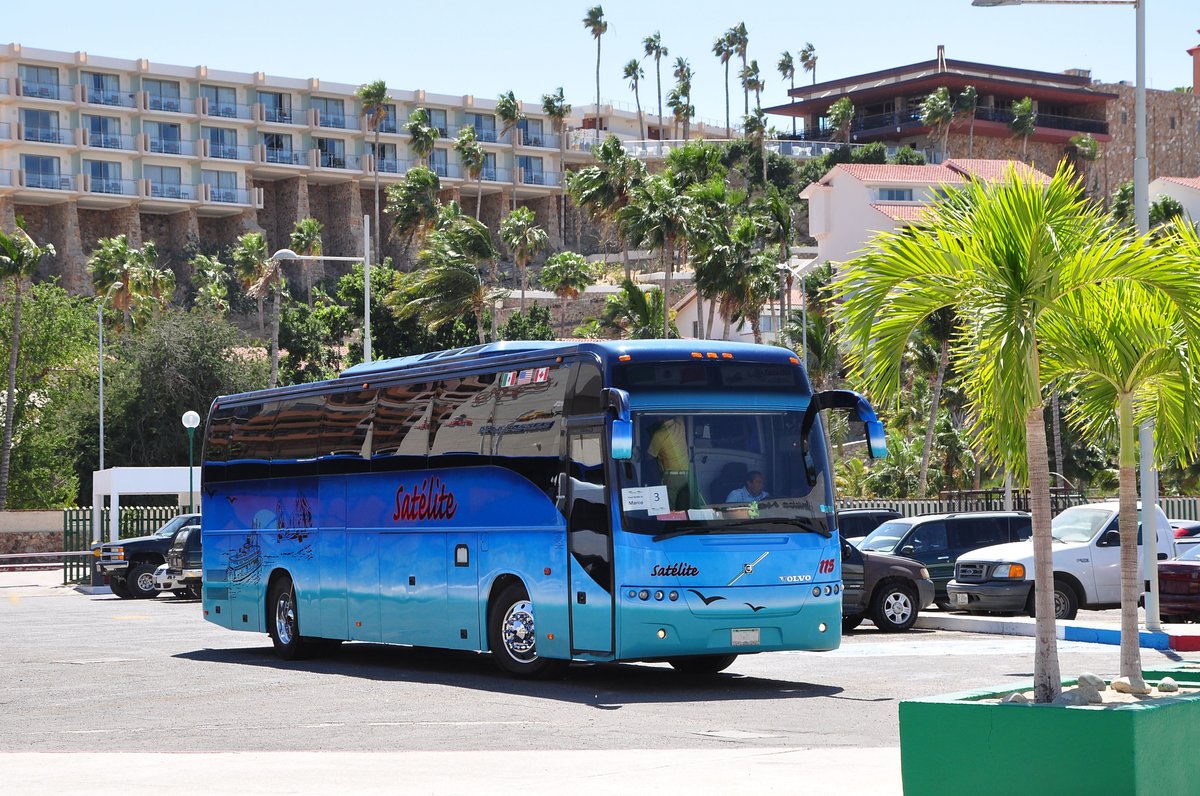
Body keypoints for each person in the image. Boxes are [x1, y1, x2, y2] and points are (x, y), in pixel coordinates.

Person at [648, 416, 691, 511]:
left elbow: (650, 456)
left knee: (671, 508)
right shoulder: (680, 425)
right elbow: (679, 412)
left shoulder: (659, 435)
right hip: (686, 475)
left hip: (671, 477)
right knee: (684, 507)